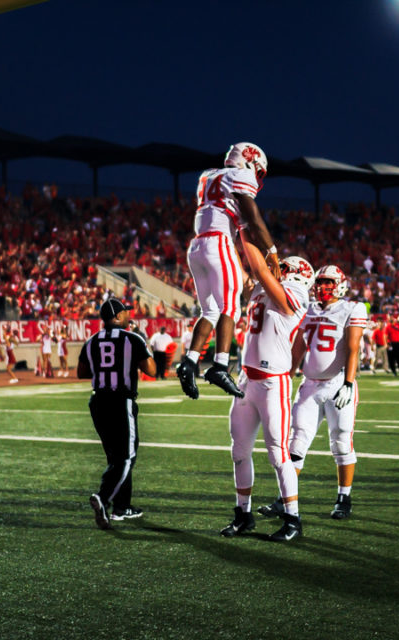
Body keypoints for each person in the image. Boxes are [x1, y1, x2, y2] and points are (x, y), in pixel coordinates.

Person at [259, 265, 367, 520]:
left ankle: (344, 498)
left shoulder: (352, 308)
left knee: (341, 441)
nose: (321, 287)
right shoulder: (308, 309)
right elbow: (298, 347)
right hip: (309, 385)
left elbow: (353, 347)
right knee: (296, 442)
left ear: (340, 284)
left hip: (337, 383)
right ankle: (284, 498)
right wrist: (287, 376)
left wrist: (349, 383)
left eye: (328, 282)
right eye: (319, 282)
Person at [221, 243, 313, 542]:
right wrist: (228, 240)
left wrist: (251, 238)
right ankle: (243, 514)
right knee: (239, 452)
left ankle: (293, 519)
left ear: (295, 275)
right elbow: (244, 274)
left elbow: (260, 269)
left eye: (283, 267)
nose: (278, 269)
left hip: (273, 383)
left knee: (278, 454)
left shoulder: (296, 295)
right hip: (246, 380)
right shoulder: (263, 290)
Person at [176, 142, 280, 400]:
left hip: (197, 246)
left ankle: (189, 361)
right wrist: (272, 251)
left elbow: (238, 221)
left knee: (210, 311)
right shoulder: (241, 176)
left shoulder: (208, 175)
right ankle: (220, 366)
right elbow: (254, 220)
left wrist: (245, 267)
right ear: (249, 161)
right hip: (217, 241)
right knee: (230, 308)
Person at [79, 299, 157, 530]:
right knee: (126, 457)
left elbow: (82, 372)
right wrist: (140, 346)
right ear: (117, 317)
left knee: (115, 456)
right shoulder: (132, 338)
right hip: (120, 400)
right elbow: (151, 369)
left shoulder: (92, 341)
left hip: (98, 402)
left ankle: (122, 507)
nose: (128, 316)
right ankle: (103, 498)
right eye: (125, 312)